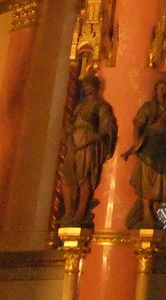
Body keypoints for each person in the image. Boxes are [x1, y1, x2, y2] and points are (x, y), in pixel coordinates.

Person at [59, 74, 117, 228]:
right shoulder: (80, 105)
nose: (85, 88)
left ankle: (81, 210)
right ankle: (69, 210)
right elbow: (72, 123)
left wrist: (94, 138)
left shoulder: (100, 105)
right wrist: (68, 134)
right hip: (74, 145)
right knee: (66, 176)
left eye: (88, 85)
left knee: (84, 177)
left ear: (96, 87)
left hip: (87, 146)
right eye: (84, 85)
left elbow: (107, 126)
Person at [123, 77, 166, 229]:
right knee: (147, 182)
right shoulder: (149, 106)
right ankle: (146, 214)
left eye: (165, 88)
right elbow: (138, 122)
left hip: (162, 148)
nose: (163, 91)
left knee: (161, 182)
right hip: (149, 147)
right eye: (160, 88)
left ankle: (154, 213)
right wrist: (137, 141)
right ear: (155, 90)